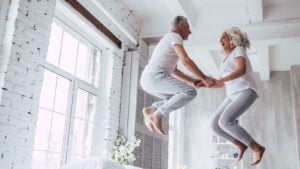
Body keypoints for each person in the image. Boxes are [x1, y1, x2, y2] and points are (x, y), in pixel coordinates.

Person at [140, 16, 215, 135]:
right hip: (154, 77)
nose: (190, 32)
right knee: (190, 92)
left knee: (175, 98)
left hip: (149, 79)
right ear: (181, 26)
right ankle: (157, 115)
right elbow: (186, 61)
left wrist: (191, 81)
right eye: (188, 28)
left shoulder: (169, 39)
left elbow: (174, 71)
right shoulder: (175, 36)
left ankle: (152, 109)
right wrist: (204, 78)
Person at [210, 27, 265, 166]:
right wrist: (205, 83)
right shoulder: (223, 61)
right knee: (214, 125)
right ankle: (241, 145)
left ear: (232, 38)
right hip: (231, 95)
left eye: (223, 37)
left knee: (225, 121)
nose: (220, 40)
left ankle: (257, 148)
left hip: (246, 91)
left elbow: (241, 70)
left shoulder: (238, 50)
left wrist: (222, 80)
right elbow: (221, 83)